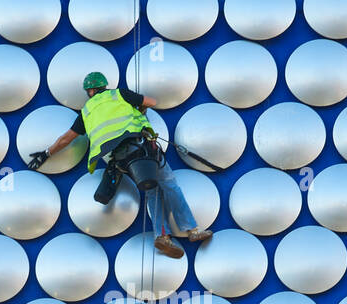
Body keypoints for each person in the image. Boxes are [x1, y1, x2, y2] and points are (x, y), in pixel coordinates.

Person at [27, 72, 212, 259]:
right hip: (141, 149)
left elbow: (66, 139)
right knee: (170, 184)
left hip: (121, 161)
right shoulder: (119, 94)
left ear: (89, 91)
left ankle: (162, 236)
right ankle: (192, 229)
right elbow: (151, 102)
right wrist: (138, 109)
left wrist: (46, 154)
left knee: (153, 189)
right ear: (104, 86)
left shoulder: (86, 112)